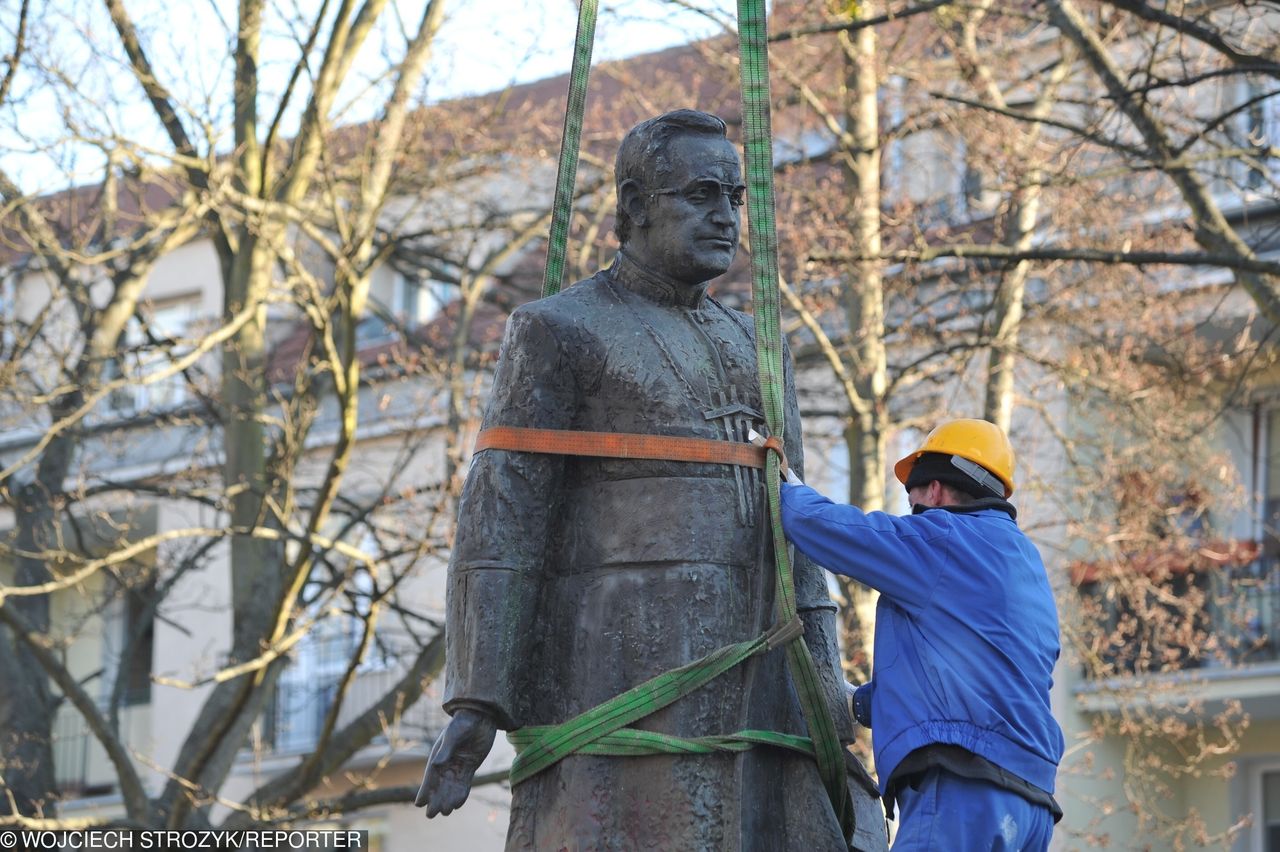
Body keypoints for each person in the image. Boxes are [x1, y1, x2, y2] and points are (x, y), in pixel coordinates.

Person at [415, 110, 877, 850]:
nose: (726, 217)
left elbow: (800, 538)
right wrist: (477, 700)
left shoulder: (761, 347)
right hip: (622, 674)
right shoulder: (560, 330)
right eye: (700, 195)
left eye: (735, 196)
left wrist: (827, 701)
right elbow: (504, 519)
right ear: (634, 206)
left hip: (761, 682)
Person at [779, 419, 1065, 851]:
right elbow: (974, 682)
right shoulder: (1024, 563)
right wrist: (858, 702)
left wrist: (785, 488)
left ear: (934, 490)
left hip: (961, 789)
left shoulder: (943, 539)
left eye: (912, 501)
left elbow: (831, 530)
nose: (911, 513)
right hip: (1030, 806)